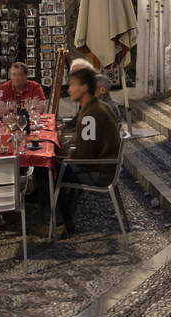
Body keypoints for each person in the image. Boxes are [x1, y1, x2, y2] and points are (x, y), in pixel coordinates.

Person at [34, 66, 121, 237]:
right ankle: (66, 219)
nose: (69, 89)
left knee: (45, 169)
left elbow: (84, 156)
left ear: (85, 88)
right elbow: (88, 145)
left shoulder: (90, 113)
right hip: (101, 166)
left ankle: (54, 224)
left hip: (99, 172)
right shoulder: (97, 106)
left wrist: (65, 156)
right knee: (54, 165)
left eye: (73, 85)